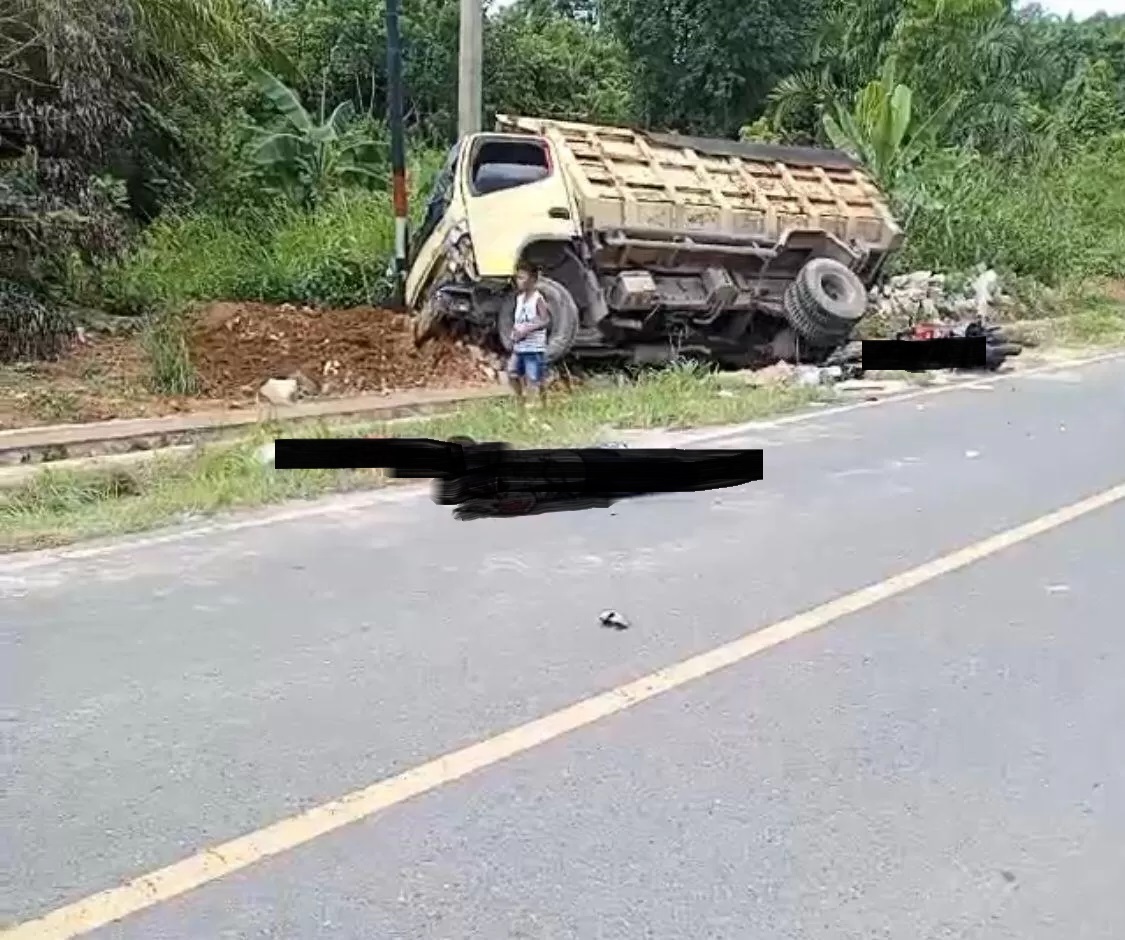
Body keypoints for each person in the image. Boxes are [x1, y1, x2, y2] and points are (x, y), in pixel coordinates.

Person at [508, 260, 551, 407]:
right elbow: (519, 320)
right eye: (517, 278)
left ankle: (538, 405)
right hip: (519, 346)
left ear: (532, 280)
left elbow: (545, 320)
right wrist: (514, 332)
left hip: (533, 347)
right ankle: (520, 400)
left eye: (522, 278)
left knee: (534, 378)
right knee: (512, 373)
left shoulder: (537, 299)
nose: (518, 281)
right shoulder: (519, 299)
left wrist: (528, 329)